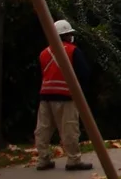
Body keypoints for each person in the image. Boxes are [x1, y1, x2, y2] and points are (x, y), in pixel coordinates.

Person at [34, 20, 93, 171]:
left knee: (43, 130)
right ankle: (73, 160)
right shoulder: (73, 51)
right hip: (66, 96)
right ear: (67, 36)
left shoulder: (44, 53)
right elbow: (84, 73)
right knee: (69, 129)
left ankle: (43, 159)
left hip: (46, 95)